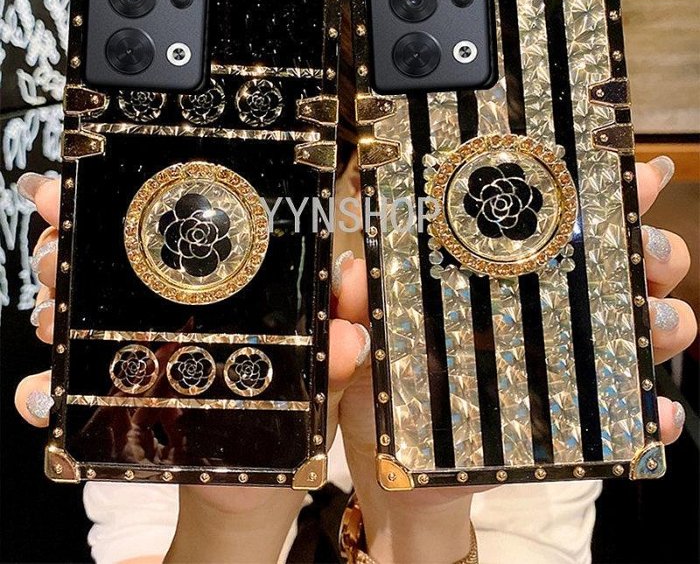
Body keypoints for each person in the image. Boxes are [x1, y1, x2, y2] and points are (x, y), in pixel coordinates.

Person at [13, 151, 695, 564]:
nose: (386, 225)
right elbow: (135, 535)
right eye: (349, 177)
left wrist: (423, 511)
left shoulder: (510, 362)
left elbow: (536, 541)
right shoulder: (182, 344)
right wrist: (234, 512)